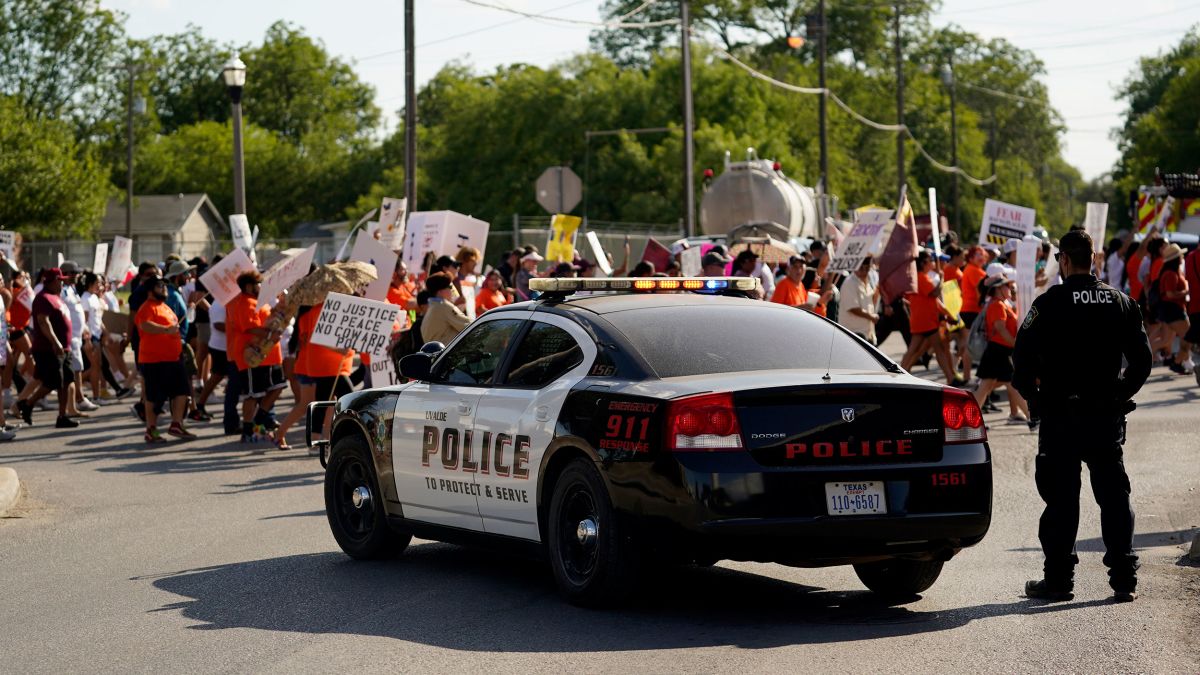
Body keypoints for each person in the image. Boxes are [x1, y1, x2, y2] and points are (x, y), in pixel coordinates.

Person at [1012, 229, 1150, 603]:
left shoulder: (1048, 304)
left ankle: (1058, 581)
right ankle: (1124, 578)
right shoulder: (1119, 302)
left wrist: (1036, 399)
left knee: (1061, 499)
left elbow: (1020, 363)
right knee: (1114, 496)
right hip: (1104, 416)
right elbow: (1142, 362)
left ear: (1064, 261)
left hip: (1060, 417)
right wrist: (1119, 396)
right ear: (1095, 259)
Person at [226, 271, 286, 443]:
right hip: (252, 356)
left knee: (277, 386)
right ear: (248, 286)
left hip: (268, 355)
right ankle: (247, 430)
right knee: (253, 394)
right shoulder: (244, 303)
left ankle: (259, 419)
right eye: (258, 283)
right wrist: (271, 333)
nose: (261, 287)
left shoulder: (258, 302)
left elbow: (266, 322)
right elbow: (250, 328)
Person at [134, 277, 196, 442]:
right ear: (150, 291)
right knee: (154, 397)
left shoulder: (165, 306)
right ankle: (151, 429)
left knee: (182, 392)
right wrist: (166, 330)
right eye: (160, 286)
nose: (164, 288)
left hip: (173, 358)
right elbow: (145, 325)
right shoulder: (147, 307)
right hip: (154, 360)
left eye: (164, 286)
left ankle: (176, 423)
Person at [18, 269, 76, 428]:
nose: (62, 283)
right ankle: (28, 404)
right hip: (49, 349)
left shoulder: (56, 297)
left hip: (65, 348)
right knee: (53, 382)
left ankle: (62, 416)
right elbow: (43, 322)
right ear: (52, 281)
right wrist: (55, 342)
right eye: (60, 280)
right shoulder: (42, 298)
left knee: (65, 382)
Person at [972, 275, 1030, 423]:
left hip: (999, 350)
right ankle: (1032, 417)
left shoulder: (1002, 304)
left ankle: (970, 421)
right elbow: (1001, 329)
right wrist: (1017, 345)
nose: (1010, 288)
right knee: (1010, 385)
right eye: (1006, 285)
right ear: (998, 289)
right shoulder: (997, 305)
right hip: (998, 350)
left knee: (986, 386)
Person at [899, 251, 959, 384]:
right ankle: (950, 377)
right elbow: (934, 294)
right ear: (923, 263)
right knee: (936, 349)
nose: (932, 263)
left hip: (923, 320)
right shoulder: (922, 277)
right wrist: (942, 279)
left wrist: (948, 315)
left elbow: (934, 302)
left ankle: (902, 371)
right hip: (926, 321)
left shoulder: (920, 277)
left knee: (917, 350)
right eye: (930, 260)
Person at [1153, 244, 1191, 374]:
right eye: (1180, 255)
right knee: (1188, 336)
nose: (1182, 256)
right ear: (1175, 259)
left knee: (1166, 340)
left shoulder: (1171, 272)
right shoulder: (1170, 274)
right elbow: (1170, 294)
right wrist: (1186, 292)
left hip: (1170, 310)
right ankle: (1178, 362)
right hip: (1174, 310)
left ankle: (1181, 361)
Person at [837, 256, 880, 344]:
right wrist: (871, 317)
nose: (864, 271)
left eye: (867, 268)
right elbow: (853, 308)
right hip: (853, 333)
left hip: (866, 332)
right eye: (861, 268)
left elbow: (870, 303)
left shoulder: (867, 282)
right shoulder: (850, 282)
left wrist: (878, 289)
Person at [422, 272, 472, 345]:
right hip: (449, 353)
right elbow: (469, 325)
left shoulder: (432, 307)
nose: (452, 290)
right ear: (440, 292)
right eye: (450, 287)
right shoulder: (443, 306)